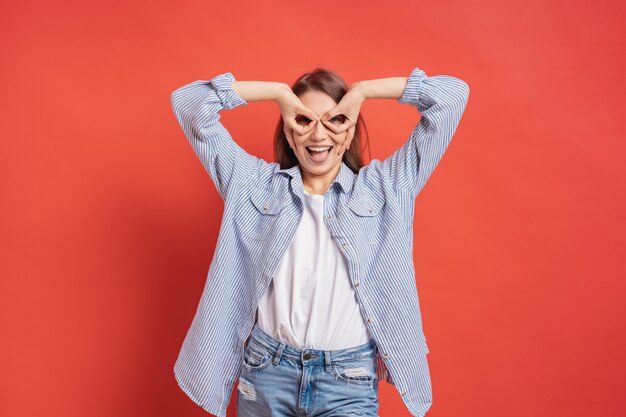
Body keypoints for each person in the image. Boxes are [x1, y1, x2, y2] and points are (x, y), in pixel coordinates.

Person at [170, 66, 469, 417]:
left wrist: (362, 92)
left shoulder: (387, 187)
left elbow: (452, 98)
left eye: (334, 120)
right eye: (304, 120)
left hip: (348, 379)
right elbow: (189, 103)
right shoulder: (252, 183)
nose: (318, 134)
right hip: (267, 372)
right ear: (287, 127)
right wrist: (278, 93)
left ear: (351, 126)